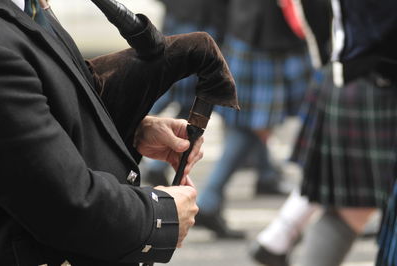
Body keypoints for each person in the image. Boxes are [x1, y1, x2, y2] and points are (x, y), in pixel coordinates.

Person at [0, 0, 238, 265]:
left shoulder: (27, 8)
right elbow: (61, 203)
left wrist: (135, 128)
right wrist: (160, 214)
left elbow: (52, 100)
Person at [250, 0, 397, 266]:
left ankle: (279, 236)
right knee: (352, 208)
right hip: (375, 76)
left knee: (352, 208)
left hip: (361, 71)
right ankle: (279, 236)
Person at [195, 0, 312, 239]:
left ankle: (265, 184)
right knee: (255, 125)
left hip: (252, 29)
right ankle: (211, 199)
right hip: (266, 36)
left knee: (253, 124)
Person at [142, 0, 229, 187]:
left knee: (170, 93)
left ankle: (153, 165)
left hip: (188, 16)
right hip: (203, 20)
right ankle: (126, 140)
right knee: (176, 95)